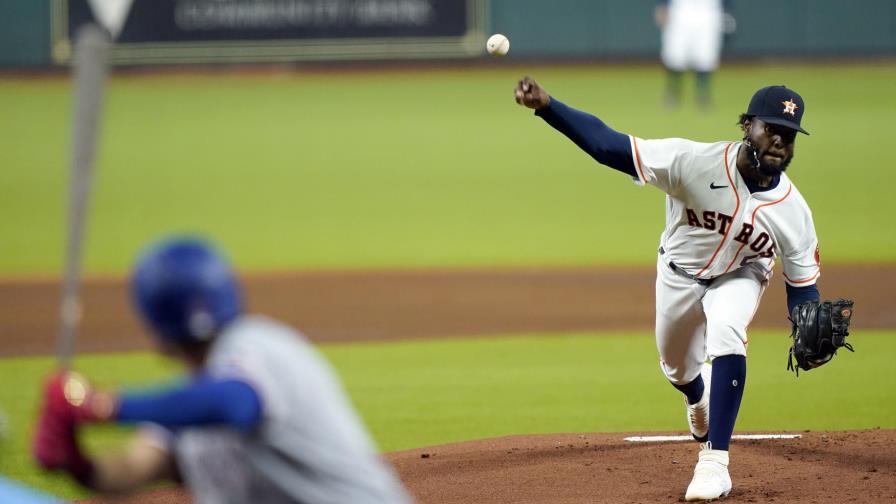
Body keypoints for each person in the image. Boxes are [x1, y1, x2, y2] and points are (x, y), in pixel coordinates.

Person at [514, 77, 827, 500]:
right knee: (678, 368)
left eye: (788, 136)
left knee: (727, 333)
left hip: (741, 273)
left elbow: (802, 284)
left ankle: (715, 462)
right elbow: (610, 147)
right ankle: (697, 397)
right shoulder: (693, 161)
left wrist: (806, 319)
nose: (779, 142)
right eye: (770, 129)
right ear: (747, 125)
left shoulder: (794, 212)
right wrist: (548, 106)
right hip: (677, 273)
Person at [32, 236, 412, 504]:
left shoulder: (261, 347)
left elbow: (235, 403)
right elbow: (133, 469)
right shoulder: (188, 402)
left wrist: (104, 405)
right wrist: (77, 464)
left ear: (157, 333)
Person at [655, 0, 734, 108]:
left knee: (706, 56)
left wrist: (727, 8)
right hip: (680, 8)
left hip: (709, 9)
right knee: (675, 55)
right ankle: (672, 94)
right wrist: (662, 5)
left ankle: (703, 96)